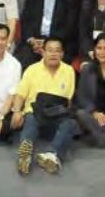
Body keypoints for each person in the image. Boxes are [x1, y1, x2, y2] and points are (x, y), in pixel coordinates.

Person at [11, 36, 77, 175]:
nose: (53, 54)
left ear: (62, 54)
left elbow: (68, 100)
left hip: (57, 116)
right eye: (50, 50)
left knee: (70, 123)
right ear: (43, 52)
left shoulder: (69, 71)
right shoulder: (32, 69)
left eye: (57, 51)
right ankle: (25, 155)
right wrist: (17, 111)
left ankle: (52, 154)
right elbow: (20, 94)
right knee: (30, 118)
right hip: (35, 114)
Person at [16, 0, 79, 67]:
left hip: (58, 44)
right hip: (34, 43)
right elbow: (26, 21)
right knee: (22, 61)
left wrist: (47, 45)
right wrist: (32, 40)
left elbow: (69, 30)